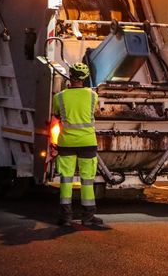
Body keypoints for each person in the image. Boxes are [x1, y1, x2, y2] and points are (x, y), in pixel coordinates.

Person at [52, 62, 103, 227]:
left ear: (70, 76)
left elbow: (56, 118)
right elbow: (94, 112)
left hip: (66, 143)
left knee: (66, 179)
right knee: (87, 180)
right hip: (87, 142)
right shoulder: (93, 96)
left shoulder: (59, 97)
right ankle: (87, 217)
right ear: (85, 78)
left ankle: (65, 217)